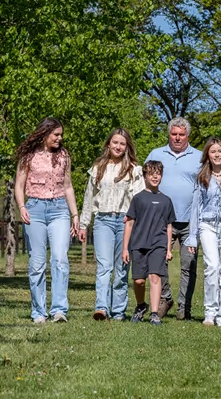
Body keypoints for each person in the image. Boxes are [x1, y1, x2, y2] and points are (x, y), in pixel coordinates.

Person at [14, 117, 80, 324]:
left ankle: (59, 310)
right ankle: (38, 312)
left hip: (59, 208)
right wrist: (22, 206)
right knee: (37, 264)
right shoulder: (28, 156)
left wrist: (74, 215)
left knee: (60, 259)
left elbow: (68, 186)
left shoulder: (64, 156)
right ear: (45, 134)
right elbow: (19, 185)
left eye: (61, 135)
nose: (60, 138)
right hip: (35, 208)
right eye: (56, 135)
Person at [78, 128, 144, 321]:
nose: (118, 146)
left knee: (122, 268)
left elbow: (139, 200)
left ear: (127, 147)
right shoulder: (99, 167)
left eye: (122, 144)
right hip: (103, 220)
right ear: (109, 144)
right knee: (104, 266)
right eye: (115, 142)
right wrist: (84, 224)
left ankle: (118, 311)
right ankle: (101, 307)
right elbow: (89, 197)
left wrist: (136, 223)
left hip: (125, 221)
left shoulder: (134, 170)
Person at [144, 117, 201, 320]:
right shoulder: (156, 154)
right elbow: (146, 182)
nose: (177, 138)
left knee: (189, 264)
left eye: (181, 134)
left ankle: (184, 307)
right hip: (161, 219)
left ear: (188, 136)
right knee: (159, 263)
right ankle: (165, 298)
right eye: (174, 134)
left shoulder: (199, 157)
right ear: (169, 134)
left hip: (190, 221)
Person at [184, 137, 221, 327]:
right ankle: (209, 312)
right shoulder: (201, 176)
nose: (217, 154)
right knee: (212, 267)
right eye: (212, 151)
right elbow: (195, 207)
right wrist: (192, 237)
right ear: (207, 156)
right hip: (207, 225)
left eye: (220, 151)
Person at [122, 160, 175, 326]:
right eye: (151, 173)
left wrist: (168, 249)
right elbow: (129, 223)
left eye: (158, 173)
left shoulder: (166, 200)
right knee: (139, 280)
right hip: (138, 244)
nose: (155, 176)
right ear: (144, 176)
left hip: (158, 244)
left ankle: (154, 313)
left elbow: (168, 226)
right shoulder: (138, 199)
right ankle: (140, 306)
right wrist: (125, 248)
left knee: (155, 276)